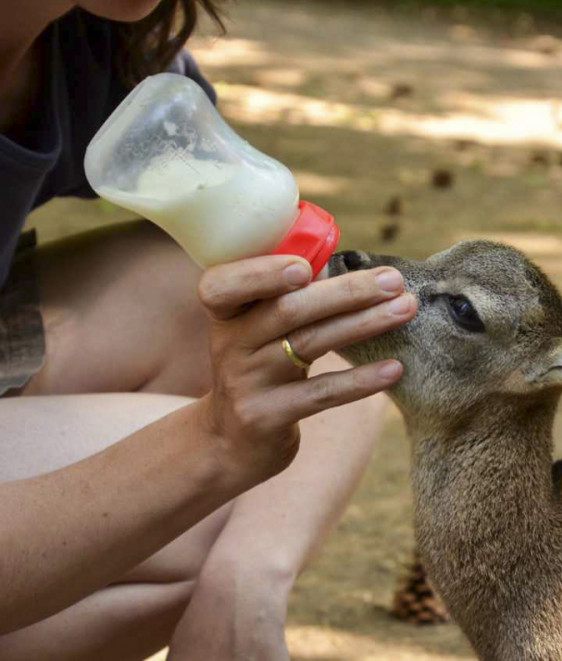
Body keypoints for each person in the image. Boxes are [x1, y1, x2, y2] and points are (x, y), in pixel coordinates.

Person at [0, 0, 417, 658]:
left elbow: (323, 328)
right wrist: (215, 443)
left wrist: (250, 577)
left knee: (255, 516)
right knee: (213, 508)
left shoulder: (95, 46)